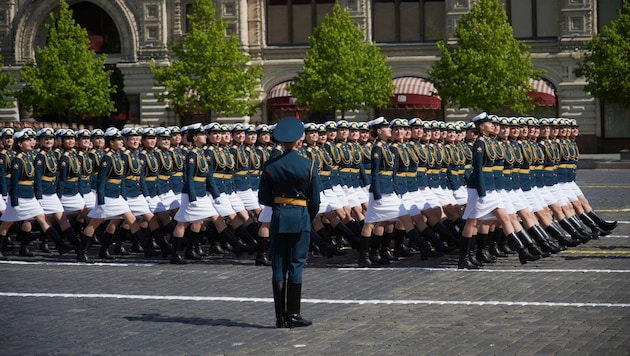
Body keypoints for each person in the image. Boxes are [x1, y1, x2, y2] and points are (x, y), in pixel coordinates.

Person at [258, 116, 321, 329]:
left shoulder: (270, 165)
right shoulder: (308, 164)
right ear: (299, 142)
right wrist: (306, 217)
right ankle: (293, 314)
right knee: (295, 264)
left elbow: (264, 198)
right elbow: (316, 201)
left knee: (278, 265)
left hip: (278, 217)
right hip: (300, 216)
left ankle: (279, 316)